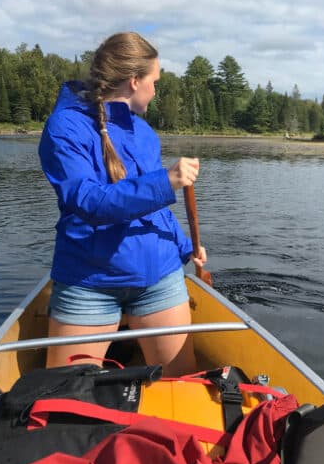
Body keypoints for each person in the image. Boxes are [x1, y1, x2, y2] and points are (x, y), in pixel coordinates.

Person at [38, 32, 207, 377]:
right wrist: (166, 181)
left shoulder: (144, 133)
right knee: (65, 400)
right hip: (89, 282)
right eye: (154, 82)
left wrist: (185, 246)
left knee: (180, 389)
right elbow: (89, 203)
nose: (156, 91)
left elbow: (155, 208)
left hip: (158, 278)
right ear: (134, 81)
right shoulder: (64, 127)